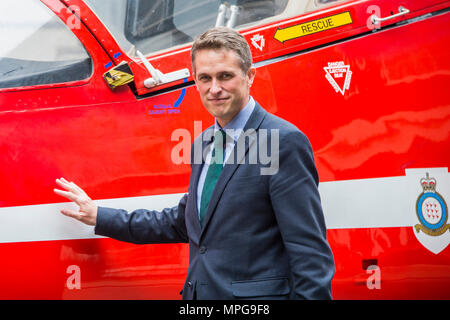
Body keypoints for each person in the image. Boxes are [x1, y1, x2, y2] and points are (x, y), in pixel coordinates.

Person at [54, 26, 335, 300]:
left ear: (250, 76)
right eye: (205, 78)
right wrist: (99, 215)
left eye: (225, 76)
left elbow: (309, 250)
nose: (215, 89)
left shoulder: (282, 141)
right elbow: (183, 223)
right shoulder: (203, 143)